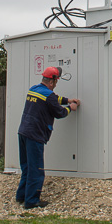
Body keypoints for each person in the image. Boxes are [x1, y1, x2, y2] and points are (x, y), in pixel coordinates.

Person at [15, 66, 80, 209]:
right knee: (36, 170)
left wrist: (68, 99)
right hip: (35, 135)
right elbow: (59, 112)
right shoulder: (49, 96)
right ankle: (31, 201)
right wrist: (71, 107)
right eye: (56, 81)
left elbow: (53, 98)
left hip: (23, 133)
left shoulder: (34, 89)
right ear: (52, 81)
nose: (56, 83)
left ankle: (21, 196)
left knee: (26, 167)